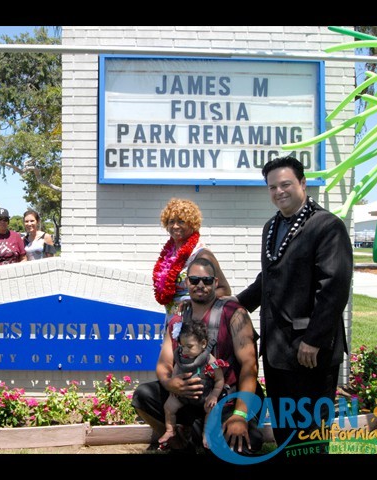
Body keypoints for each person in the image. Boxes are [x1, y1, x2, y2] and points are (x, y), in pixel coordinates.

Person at [235, 155, 353, 455]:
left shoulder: (327, 226)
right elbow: (269, 278)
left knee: (310, 433)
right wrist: (236, 304)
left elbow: (334, 287)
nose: (279, 192)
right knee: (286, 429)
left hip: (310, 352)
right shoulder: (271, 227)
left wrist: (313, 339)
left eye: (285, 184)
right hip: (277, 351)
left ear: (302, 183)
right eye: (272, 187)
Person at [132, 257, 264, 454]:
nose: (200, 285)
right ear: (187, 283)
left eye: (207, 280)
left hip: (224, 399)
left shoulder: (234, 314)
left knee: (244, 444)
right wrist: (170, 383)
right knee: (143, 396)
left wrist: (239, 414)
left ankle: (201, 435)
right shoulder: (177, 319)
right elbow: (163, 364)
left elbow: (249, 366)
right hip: (187, 398)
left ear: (215, 282)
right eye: (194, 280)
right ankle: (177, 440)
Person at [153, 198, 231, 327]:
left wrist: (194, 301)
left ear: (192, 224)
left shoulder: (201, 254)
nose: (175, 226)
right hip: (172, 319)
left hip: (194, 321)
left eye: (181, 221)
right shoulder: (169, 254)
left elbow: (224, 289)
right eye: (171, 221)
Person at [157, 319, 227, 450]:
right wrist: (173, 384)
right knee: (169, 406)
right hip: (184, 394)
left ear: (203, 344)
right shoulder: (182, 358)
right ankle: (170, 429)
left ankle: (207, 434)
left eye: (189, 346)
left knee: (212, 410)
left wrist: (214, 395)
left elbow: (219, 380)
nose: (185, 350)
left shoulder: (210, 359)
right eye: (182, 346)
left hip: (204, 395)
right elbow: (176, 371)